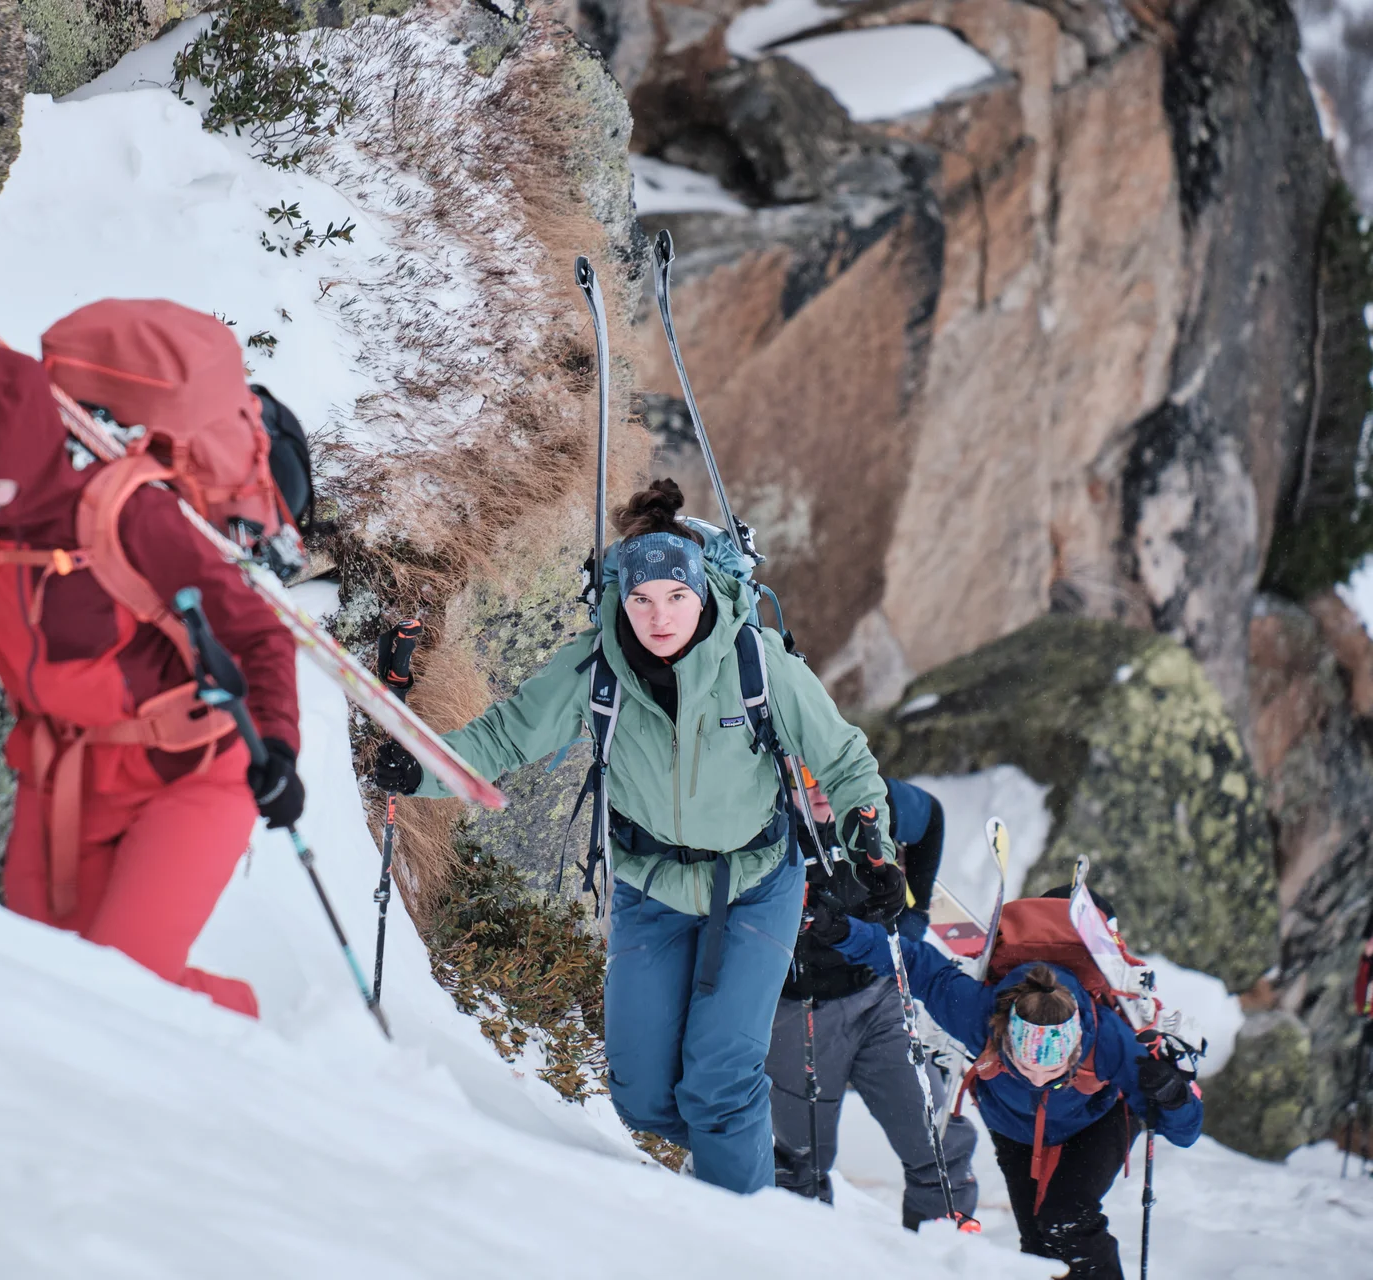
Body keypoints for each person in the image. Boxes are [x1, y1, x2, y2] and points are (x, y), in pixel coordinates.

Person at [373, 479, 904, 1193]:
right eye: (642, 600)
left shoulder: (757, 662)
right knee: (644, 1096)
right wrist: (421, 766)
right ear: (621, 597)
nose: (659, 617)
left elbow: (842, 760)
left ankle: (752, 1232)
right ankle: (745, 1171)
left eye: (676, 598)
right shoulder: (597, 669)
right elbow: (503, 737)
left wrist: (875, 848)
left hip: (754, 884)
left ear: (704, 593)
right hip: (649, 886)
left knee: (719, 1079)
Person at [0, 339, 304, 1017]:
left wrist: (278, 748)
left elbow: (256, 634)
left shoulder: (128, 516)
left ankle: (247, 1040)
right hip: (63, 772)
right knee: (46, 976)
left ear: (30, 456)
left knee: (125, 990)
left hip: (189, 769)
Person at [812, 905, 1203, 1278]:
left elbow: (1184, 1132)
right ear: (1004, 1037)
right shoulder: (978, 1013)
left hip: (1096, 1119)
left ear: (1077, 1046)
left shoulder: (1107, 1037)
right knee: (1036, 1245)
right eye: (1024, 1066)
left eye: (1053, 1071)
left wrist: (1173, 1096)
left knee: (1066, 1220)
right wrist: (844, 931)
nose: (1037, 1079)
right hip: (1013, 1125)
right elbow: (912, 962)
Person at [768, 775, 980, 1226]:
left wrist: (915, 915)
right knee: (797, 1168)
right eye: (802, 776)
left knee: (938, 1153)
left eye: (825, 769)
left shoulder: (871, 796)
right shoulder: (755, 809)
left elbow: (931, 819)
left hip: (877, 1000)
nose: (818, 785)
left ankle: (943, 1260)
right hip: (793, 1008)